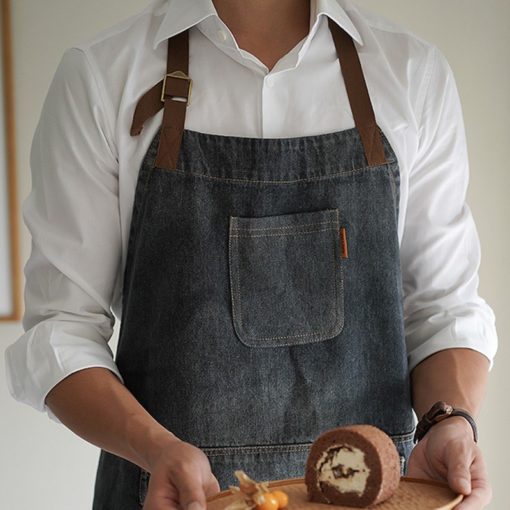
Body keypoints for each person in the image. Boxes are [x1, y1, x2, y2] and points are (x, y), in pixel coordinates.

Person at [5, 0, 497, 509]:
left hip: (380, 498)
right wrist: (155, 448)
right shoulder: (102, 76)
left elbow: (442, 309)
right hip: (172, 497)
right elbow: (61, 329)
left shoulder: (411, 73)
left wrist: (448, 421)